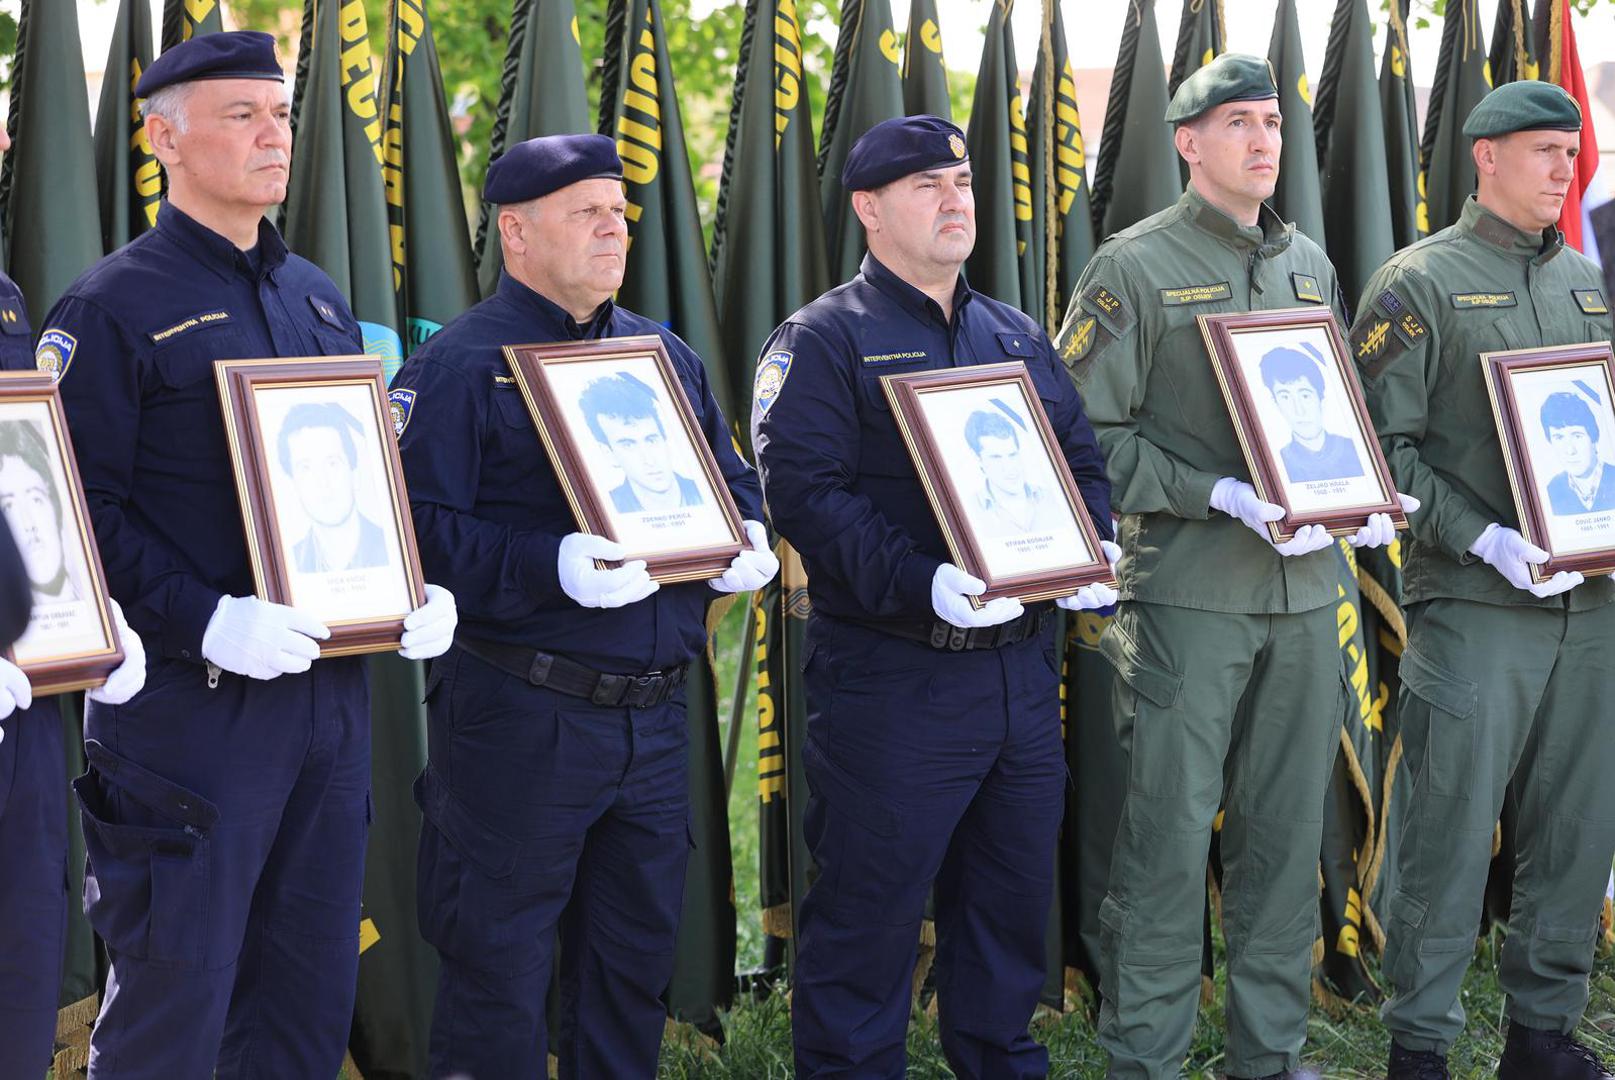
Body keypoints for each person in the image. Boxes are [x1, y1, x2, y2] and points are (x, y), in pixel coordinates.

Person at [39, 31, 458, 1078]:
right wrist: (202, 617)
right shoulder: (109, 307)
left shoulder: (315, 298)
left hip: (326, 703)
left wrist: (402, 580)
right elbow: (72, 512)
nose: (274, 135)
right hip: (190, 715)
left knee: (303, 999)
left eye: (279, 115)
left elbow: (360, 477)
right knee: (171, 1008)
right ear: (162, 138)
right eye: (242, 115)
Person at [1053, 54, 1413, 1080]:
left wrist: (1357, 487)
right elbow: (1082, 433)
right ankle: (1147, 1057)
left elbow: (1326, 413)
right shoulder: (1131, 266)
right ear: (1187, 142)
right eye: (1239, 124)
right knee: (1165, 841)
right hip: (1187, 598)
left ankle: (1266, 1054)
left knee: (1283, 834)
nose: (1263, 141)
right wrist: (1211, 490)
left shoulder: (1307, 264)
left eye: (1271, 123)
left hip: (1304, 597)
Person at [390, 133, 774, 1079]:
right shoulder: (457, 363)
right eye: (587, 214)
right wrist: (543, 561)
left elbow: (729, 481)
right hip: (522, 716)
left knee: (628, 971)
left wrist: (746, 537)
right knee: (498, 974)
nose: (614, 230)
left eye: (620, 213)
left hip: (650, 723)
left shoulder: (661, 353)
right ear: (514, 232)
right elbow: (408, 525)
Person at [753, 113, 1117, 1079]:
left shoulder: (1014, 333)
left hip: (1018, 679)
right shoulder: (824, 339)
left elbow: (1079, 464)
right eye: (926, 187)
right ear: (869, 209)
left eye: (960, 184)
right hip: (894, 677)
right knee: (867, 918)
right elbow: (804, 495)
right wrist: (925, 584)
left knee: (1005, 911)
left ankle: (999, 1061)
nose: (954, 199)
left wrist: (1091, 550)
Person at [1351, 80, 1615, 1080]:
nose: (1562, 169)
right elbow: (1379, 451)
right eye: (1544, 150)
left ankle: (1541, 1035)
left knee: (1577, 821)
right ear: (1485, 156)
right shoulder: (1415, 284)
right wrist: (1487, 539)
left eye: (1570, 150)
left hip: (1587, 606)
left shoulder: (1586, 283)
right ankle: (1418, 1044)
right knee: (1448, 832)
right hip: (1475, 606)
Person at [0, 108, 146, 1078]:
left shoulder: (5, 299)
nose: (7, 145)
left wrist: (87, 610)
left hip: (24, 697)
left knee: (18, 955)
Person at [276, 401, 390, 571]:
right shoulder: (287, 566)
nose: (322, 482)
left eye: (332, 463)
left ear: (354, 473)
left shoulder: (393, 550)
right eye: (305, 468)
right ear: (293, 484)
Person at [578, 371, 705, 512]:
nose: (649, 460)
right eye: (628, 445)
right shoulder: (602, 510)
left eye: (651, 440)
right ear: (609, 454)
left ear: (665, 439)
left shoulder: (709, 499)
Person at [0, 419, 85, 603]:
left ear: (56, 510)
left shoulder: (105, 612)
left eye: (35, 500)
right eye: (8, 507)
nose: (29, 524)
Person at [1258, 344, 1365, 483]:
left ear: (1322, 399)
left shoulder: (1358, 452)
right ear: (1276, 404)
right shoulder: (1273, 463)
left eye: (1305, 396)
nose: (1299, 410)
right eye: (1285, 397)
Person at [965, 406, 1063, 536]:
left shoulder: (1055, 500)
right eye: (996, 458)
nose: (1009, 467)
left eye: (1012, 455)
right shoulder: (967, 510)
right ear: (978, 459)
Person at [1538, 391, 1615, 515]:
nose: (1570, 450)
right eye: (1559, 437)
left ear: (1593, 437)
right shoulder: (1551, 491)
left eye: (1577, 436)